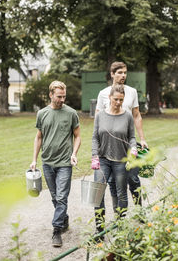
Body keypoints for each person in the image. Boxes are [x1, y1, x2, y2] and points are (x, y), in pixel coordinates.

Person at [30, 80, 81, 247]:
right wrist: (34, 160)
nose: (62, 99)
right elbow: (39, 137)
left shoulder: (71, 113)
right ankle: (64, 218)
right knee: (55, 197)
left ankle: (56, 230)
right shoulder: (42, 114)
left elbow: (77, 136)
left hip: (65, 162)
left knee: (61, 196)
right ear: (51, 95)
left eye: (64, 96)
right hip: (47, 163)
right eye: (59, 96)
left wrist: (74, 153)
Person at [96, 61, 148, 210]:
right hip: (109, 147)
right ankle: (118, 215)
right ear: (112, 74)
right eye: (119, 72)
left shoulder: (131, 92)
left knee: (132, 177)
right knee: (112, 181)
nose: (123, 75)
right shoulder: (103, 94)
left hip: (127, 144)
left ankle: (139, 210)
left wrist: (142, 139)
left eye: (125, 72)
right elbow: (98, 119)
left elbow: (137, 116)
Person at [92, 84, 137, 237]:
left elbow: (131, 137)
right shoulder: (100, 115)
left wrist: (134, 148)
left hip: (121, 160)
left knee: (121, 194)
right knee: (97, 194)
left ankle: (120, 226)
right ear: (110, 97)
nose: (118, 102)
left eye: (121, 100)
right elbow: (95, 138)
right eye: (116, 99)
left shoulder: (128, 116)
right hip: (102, 159)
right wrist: (94, 156)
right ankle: (99, 229)